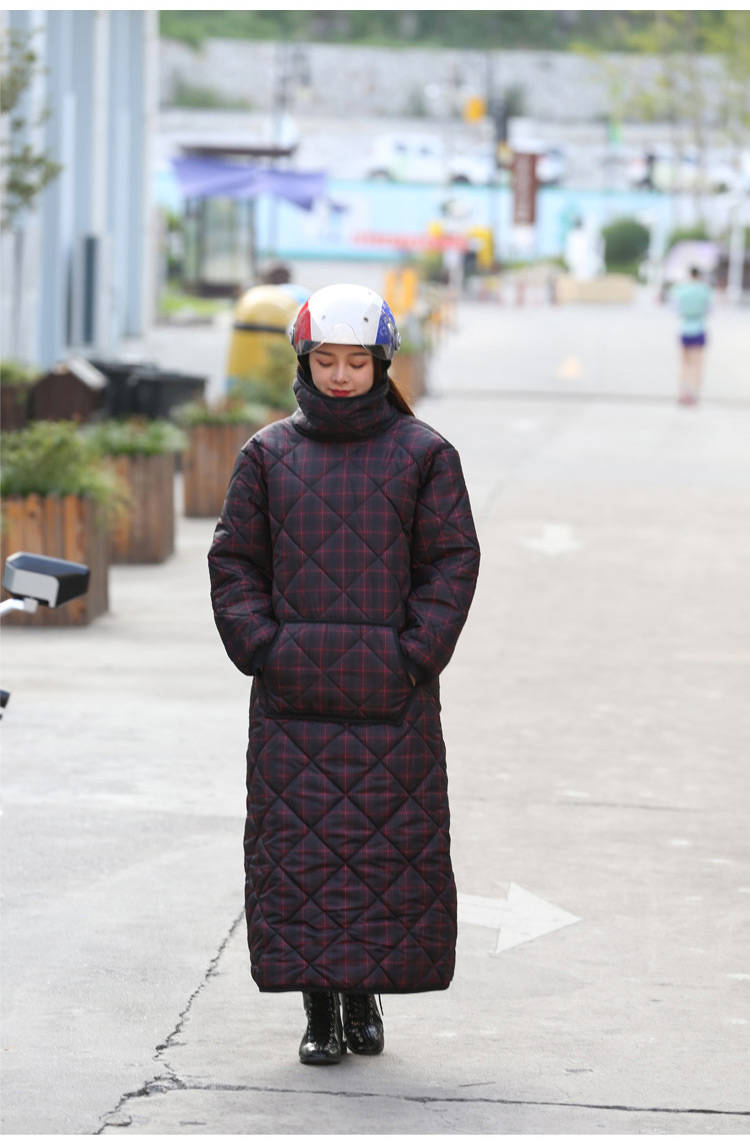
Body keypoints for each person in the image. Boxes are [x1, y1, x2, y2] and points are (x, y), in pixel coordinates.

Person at [208, 284, 480, 1066]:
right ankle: (319, 1010)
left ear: (380, 363)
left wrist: (414, 654)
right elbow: (234, 561)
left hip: (391, 697)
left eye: (354, 361)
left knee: (384, 856)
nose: (338, 375)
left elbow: (451, 562)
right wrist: (262, 647)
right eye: (323, 359)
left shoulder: (425, 454)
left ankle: (364, 996)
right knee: (300, 857)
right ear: (303, 360)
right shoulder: (267, 454)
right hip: (293, 698)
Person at [672, 266, 712, 406]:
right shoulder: (705, 290)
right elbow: (709, 311)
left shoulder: (681, 290)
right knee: (698, 364)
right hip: (699, 328)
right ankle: (695, 394)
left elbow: (676, 311)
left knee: (684, 363)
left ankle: (682, 392)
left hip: (685, 328)